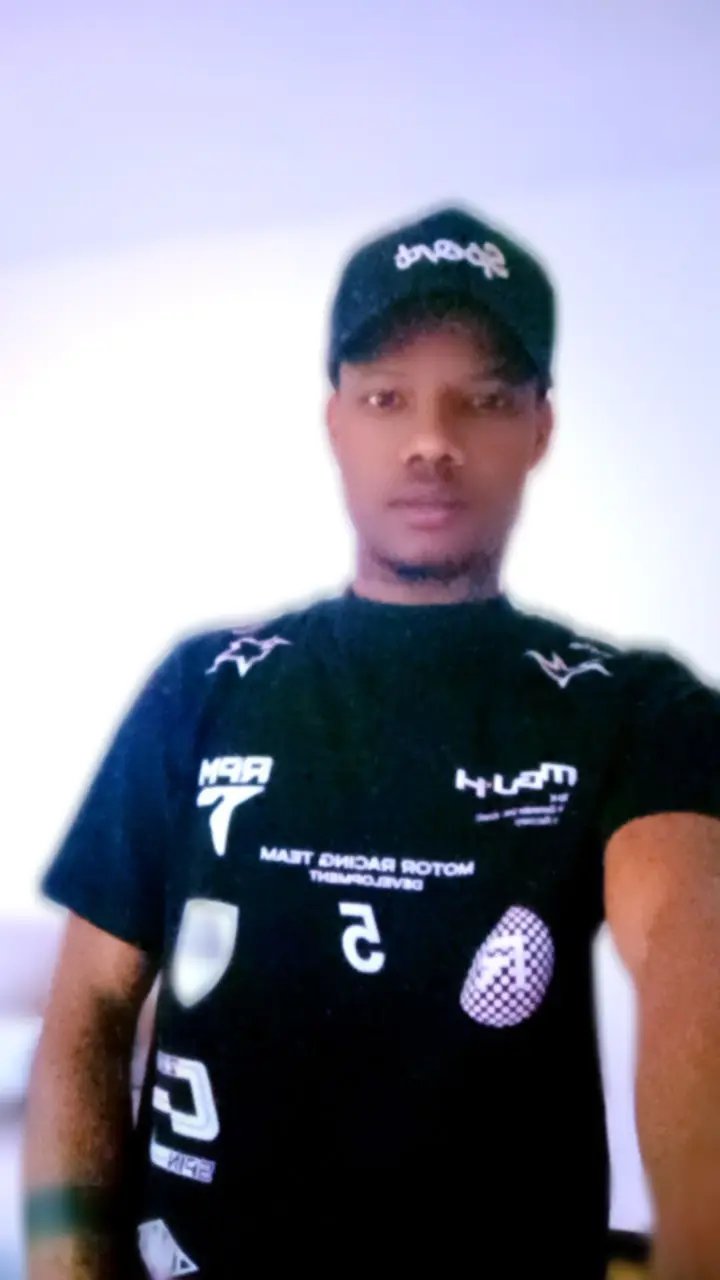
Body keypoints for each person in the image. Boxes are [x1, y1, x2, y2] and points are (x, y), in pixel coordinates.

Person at [23, 203, 720, 1280]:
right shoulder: (203, 685)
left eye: (483, 400)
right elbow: (91, 1004)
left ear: (540, 430)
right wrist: (65, 1261)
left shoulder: (632, 707)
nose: (432, 440)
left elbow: (691, 950)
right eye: (387, 396)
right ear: (336, 423)